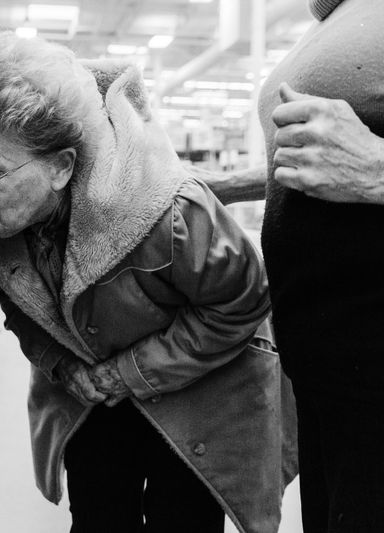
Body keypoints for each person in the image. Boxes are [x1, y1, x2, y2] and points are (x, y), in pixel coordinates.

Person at [0, 33, 297, 533]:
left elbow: (239, 305)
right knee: (99, 514)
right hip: (90, 394)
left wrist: (119, 374)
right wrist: (63, 365)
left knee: (184, 518)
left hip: (200, 388)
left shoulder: (169, 211)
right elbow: (15, 298)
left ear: (61, 166)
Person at [200, 1, 384, 530]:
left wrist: (375, 169)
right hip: (328, 371)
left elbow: (362, 158)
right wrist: (228, 186)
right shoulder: (340, 18)